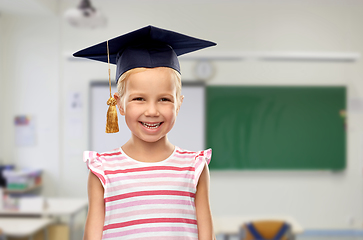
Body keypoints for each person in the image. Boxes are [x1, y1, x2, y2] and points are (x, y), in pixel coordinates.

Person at [74, 25, 216, 240]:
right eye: (139, 99)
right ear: (119, 104)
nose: (152, 111)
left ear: (179, 104)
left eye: (165, 99)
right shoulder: (102, 170)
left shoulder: (195, 166)